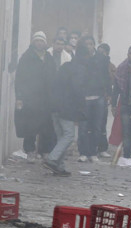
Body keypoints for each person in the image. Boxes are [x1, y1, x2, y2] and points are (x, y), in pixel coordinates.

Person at [42, 45, 89, 177]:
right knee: (69, 135)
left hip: (55, 106)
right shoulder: (80, 70)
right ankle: (52, 159)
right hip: (66, 107)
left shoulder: (65, 66)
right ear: (85, 57)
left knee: (61, 137)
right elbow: (77, 90)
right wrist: (82, 108)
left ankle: (59, 166)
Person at [14, 31, 57, 161]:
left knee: (46, 126)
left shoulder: (49, 58)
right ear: (33, 42)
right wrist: (20, 96)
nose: (39, 43)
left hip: (46, 98)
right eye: (37, 41)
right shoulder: (26, 58)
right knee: (30, 126)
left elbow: (54, 77)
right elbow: (20, 78)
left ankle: (45, 151)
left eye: (41, 41)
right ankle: (30, 151)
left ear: (45, 43)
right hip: (31, 97)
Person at [77, 36, 111, 162]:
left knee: (97, 126)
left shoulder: (102, 59)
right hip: (84, 97)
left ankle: (93, 152)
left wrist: (109, 93)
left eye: (91, 44)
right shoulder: (79, 59)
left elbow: (106, 77)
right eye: (86, 44)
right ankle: (83, 152)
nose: (89, 46)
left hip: (99, 96)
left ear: (94, 45)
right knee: (83, 127)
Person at [97, 43, 117, 158]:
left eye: (103, 52)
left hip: (104, 98)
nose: (100, 54)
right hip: (93, 98)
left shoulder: (110, 66)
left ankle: (102, 148)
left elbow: (113, 82)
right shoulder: (92, 64)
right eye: (99, 51)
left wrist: (110, 96)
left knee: (102, 124)